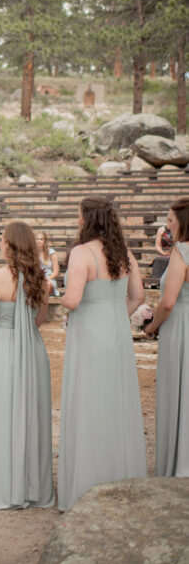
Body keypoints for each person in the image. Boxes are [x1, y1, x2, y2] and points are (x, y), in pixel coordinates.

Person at [58, 196, 147, 510]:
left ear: (88, 219)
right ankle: (121, 480)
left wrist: (53, 293)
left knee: (89, 403)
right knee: (116, 403)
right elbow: (138, 297)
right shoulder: (125, 254)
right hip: (117, 333)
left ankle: (86, 485)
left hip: (89, 336)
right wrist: (116, 315)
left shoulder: (81, 253)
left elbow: (72, 300)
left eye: (79, 216)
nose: (77, 221)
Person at [0, 221, 53, 510]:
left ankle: (4, 484)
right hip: (32, 348)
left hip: (5, 347)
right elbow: (39, 320)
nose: (1, 245)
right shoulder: (41, 279)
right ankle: (32, 484)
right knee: (31, 412)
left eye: (4, 240)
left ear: (11, 245)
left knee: (3, 411)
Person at [144, 196, 189, 477]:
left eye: (170, 219)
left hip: (180, 326)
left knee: (178, 389)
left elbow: (168, 302)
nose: (167, 225)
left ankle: (179, 463)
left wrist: (151, 326)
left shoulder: (181, 252)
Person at [35, 230, 60, 297]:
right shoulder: (33, 253)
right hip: (36, 278)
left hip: (49, 278)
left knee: (46, 284)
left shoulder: (51, 253)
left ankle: (42, 306)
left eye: (41, 239)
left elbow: (56, 272)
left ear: (45, 241)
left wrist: (46, 279)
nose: (39, 241)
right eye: (37, 239)